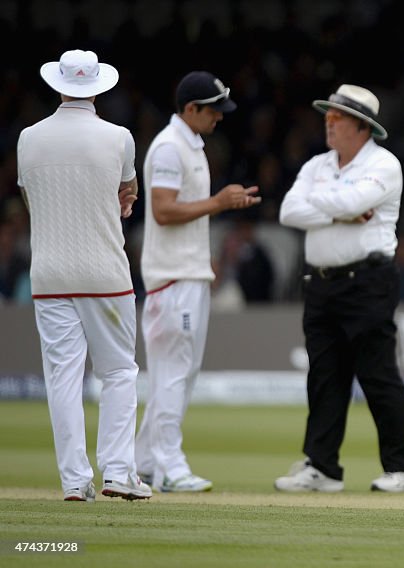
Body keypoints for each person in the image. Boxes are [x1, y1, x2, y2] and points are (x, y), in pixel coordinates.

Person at [17, 49, 151, 501]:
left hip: (50, 274)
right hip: (104, 274)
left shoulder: (28, 138)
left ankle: (75, 481)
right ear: (97, 87)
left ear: (59, 85)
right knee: (118, 372)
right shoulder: (119, 137)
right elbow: (126, 190)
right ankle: (118, 472)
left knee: (62, 378)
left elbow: (37, 202)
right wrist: (122, 203)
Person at [275, 84, 404, 493]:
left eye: (337, 118)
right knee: (324, 376)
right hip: (320, 283)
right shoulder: (318, 164)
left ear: (361, 126)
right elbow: (289, 211)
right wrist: (340, 209)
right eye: (328, 116)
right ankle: (322, 467)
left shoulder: (384, 164)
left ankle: (402, 469)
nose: (329, 122)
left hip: (368, 281)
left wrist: (329, 206)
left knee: (377, 374)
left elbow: (346, 205)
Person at [135, 71, 261, 493]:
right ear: (191, 109)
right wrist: (219, 203)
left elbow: (181, 213)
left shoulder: (189, 145)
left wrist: (217, 210)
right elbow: (164, 211)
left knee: (179, 374)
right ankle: (171, 465)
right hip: (173, 280)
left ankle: (146, 463)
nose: (219, 118)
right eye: (213, 111)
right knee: (173, 374)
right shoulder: (170, 148)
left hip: (186, 275)